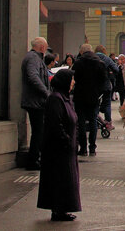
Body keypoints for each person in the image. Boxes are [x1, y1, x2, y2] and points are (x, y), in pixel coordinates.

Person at [37, 69, 80, 222]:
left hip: (67, 147)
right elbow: (55, 123)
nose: (73, 82)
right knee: (59, 179)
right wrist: (66, 139)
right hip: (58, 148)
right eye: (72, 79)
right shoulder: (55, 99)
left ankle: (63, 208)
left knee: (67, 179)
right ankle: (58, 209)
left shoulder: (66, 99)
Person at [72, 43, 108, 156]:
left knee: (81, 122)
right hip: (94, 96)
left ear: (81, 52)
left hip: (80, 96)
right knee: (93, 121)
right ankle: (92, 147)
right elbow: (104, 80)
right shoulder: (99, 63)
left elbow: (74, 78)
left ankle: (83, 148)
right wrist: (99, 93)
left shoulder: (78, 63)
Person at [20, 36, 50, 170]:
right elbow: (33, 76)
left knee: (39, 130)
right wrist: (46, 92)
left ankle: (35, 158)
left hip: (35, 101)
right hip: (35, 101)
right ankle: (33, 160)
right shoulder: (33, 58)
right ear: (42, 47)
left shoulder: (34, 58)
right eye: (46, 47)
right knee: (38, 131)